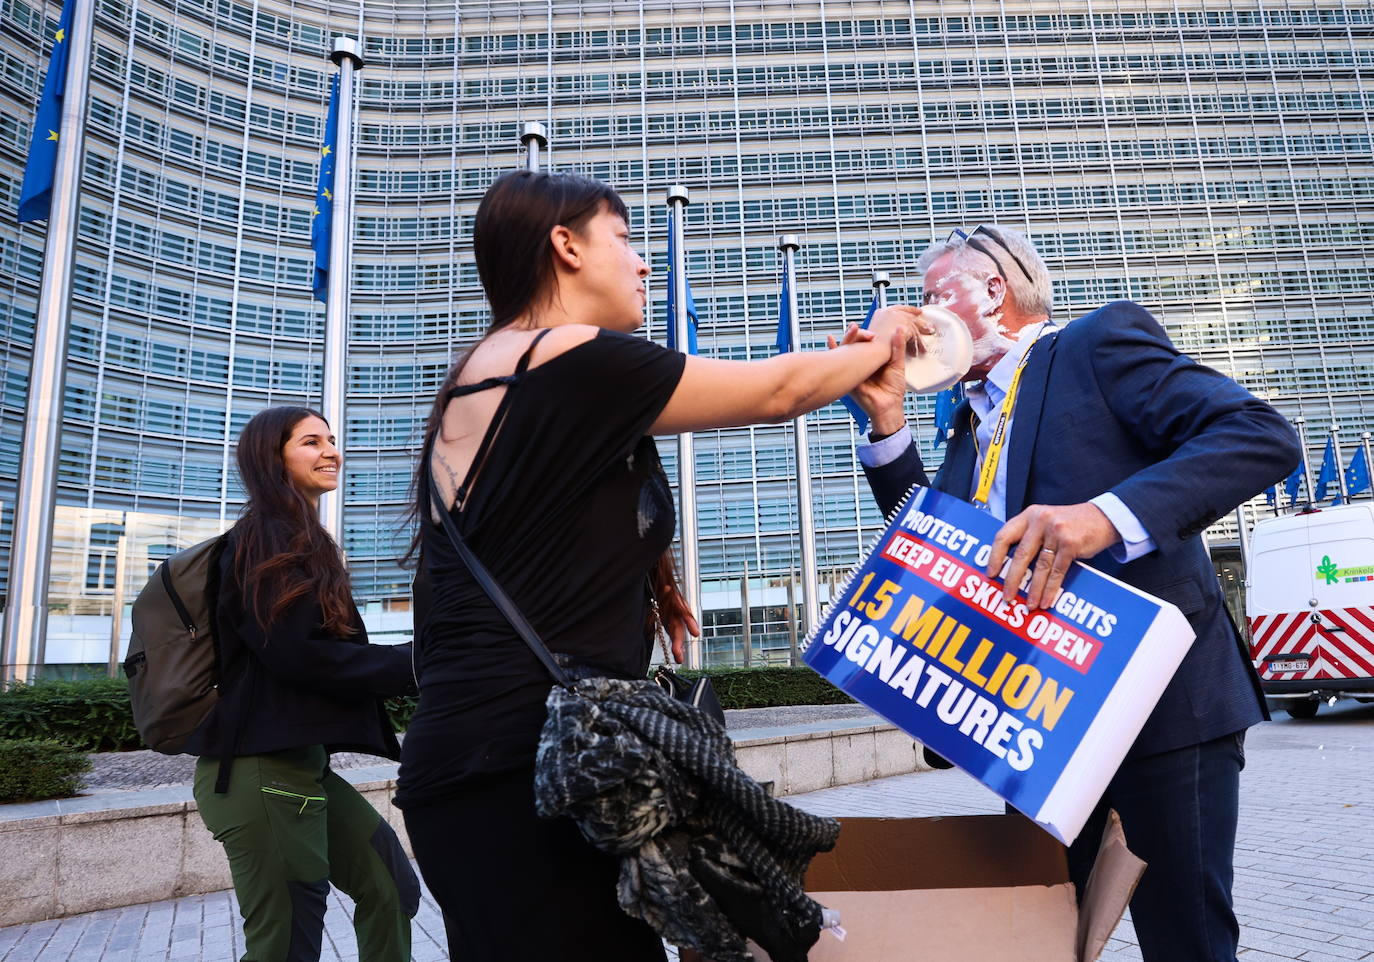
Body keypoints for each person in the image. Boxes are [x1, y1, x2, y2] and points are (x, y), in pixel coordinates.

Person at [394, 169, 920, 962]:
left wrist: (648, 585)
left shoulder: (491, 374)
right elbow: (778, 391)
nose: (643, 264)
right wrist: (888, 340)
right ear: (564, 247)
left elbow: (511, 553)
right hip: (531, 773)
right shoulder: (570, 356)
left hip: (481, 765)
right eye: (626, 239)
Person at [839, 224, 1302, 962]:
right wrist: (888, 423)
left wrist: (1101, 518)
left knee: (1187, 944)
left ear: (994, 290)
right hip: (1042, 733)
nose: (919, 314)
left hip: (1163, 720)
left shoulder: (1093, 346)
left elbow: (1259, 435)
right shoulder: (965, 426)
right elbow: (929, 551)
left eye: (933, 294)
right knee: (1058, 939)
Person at [186, 406, 420, 962]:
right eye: (311, 442)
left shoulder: (301, 538)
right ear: (274, 458)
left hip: (301, 766)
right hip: (260, 771)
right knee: (286, 944)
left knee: (390, 886)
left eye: (332, 440)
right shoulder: (266, 539)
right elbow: (299, 657)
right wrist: (423, 664)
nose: (331, 450)